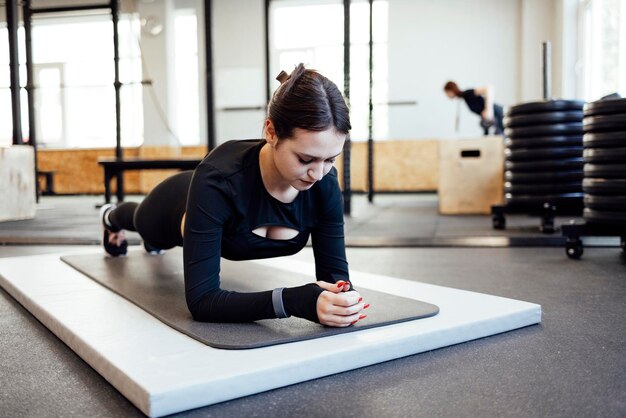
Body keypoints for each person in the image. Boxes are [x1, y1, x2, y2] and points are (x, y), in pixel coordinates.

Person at [100, 64, 369, 327]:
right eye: (305, 159)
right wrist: (292, 301)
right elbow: (203, 302)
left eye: (330, 160)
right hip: (172, 205)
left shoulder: (324, 182)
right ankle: (111, 216)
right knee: (141, 222)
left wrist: (343, 300)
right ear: (271, 132)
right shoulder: (217, 177)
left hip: (208, 205)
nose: (318, 174)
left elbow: (336, 280)